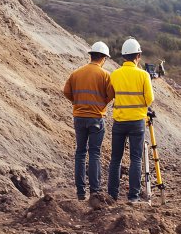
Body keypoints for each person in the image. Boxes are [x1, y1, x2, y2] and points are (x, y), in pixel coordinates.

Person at [63, 42, 114, 201]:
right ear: (104, 58)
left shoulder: (76, 73)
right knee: (94, 153)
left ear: (91, 55)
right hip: (96, 117)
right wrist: (101, 104)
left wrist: (78, 102)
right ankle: (95, 191)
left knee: (80, 153)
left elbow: (66, 92)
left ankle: (80, 192)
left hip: (79, 117)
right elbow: (111, 95)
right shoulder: (105, 75)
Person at [107, 37, 154, 203]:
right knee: (136, 159)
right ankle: (133, 196)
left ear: (123, 56)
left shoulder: (115, 75)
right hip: (137, 122)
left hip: (119, 122)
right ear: (138, 55)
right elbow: (149, 100)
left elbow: (110, 96)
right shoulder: (143, 75)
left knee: (115, 159)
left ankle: (112, 195)